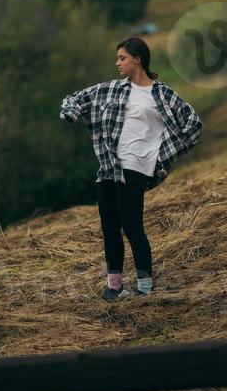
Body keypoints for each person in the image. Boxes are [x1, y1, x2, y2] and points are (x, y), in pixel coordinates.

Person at [59, 37, 203, 301]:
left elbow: (194, 124)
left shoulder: (163, 94)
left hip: (137, 166)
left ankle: (145, 287)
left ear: (138, 59)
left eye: (122, 58)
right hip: (109, 166)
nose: (117, 63)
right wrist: (71, 112)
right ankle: (114, 286)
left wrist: (165, 153)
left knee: (132, 226)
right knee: (109, 226)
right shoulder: (112, 89)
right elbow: (75, 99)